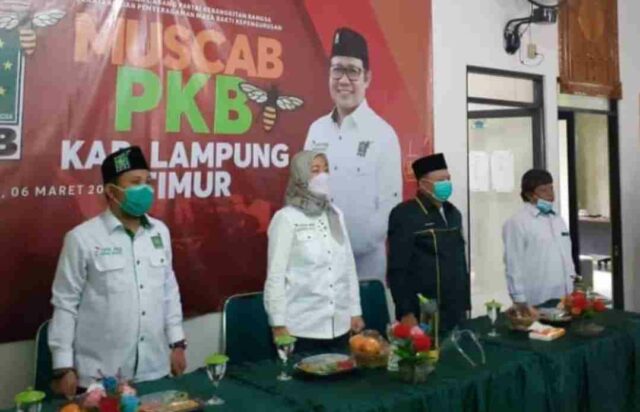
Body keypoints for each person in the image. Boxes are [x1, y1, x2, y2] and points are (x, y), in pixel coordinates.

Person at [49, 146, 186, 396]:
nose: (145, 189)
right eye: (135, 182)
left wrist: (177, 343)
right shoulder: (82, 238)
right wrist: (63, 366)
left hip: (154, 368)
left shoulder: (160, 231)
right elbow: (65, 303)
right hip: (100, 377)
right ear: (111, 192)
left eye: (148, 182)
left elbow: (169, 289)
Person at [304, 27, 402, 282]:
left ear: (367, 78)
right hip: (318, 271)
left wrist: (343, 248)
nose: (344, 80)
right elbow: (306, 192)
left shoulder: (383, 135)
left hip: (364, 275)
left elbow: (389, 211)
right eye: (337, 69)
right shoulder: (316, 130)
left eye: (352, 71)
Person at [263, 151, 364, 353]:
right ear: (300, 176)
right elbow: (275, 275)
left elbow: (348, 266)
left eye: (326, 170)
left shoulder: (335, 214)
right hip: (301, 329)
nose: (323, 176)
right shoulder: (286, 218)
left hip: (340, 325)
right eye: (315, 170)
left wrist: (355, 311)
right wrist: (278, 323)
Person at [387, 153, 470, 332]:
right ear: (423, 184)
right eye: (440, 180)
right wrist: (406, 312)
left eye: (448, 179)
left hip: (455, 310)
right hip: (423, 311)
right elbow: (397, 269)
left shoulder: (453, 213)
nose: (446, 184)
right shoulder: (405, 214)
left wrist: (465, 304)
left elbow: (460, 262)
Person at [502, 169, 575, 311]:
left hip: (565, 296)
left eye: (551, 188)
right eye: (543, 190)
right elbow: (513, 263)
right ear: (530, 195)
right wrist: (518, 298)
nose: (550, 195)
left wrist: (573, 285)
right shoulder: (517, 222)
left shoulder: (557, 219)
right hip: (537, 298)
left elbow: (566, 255)